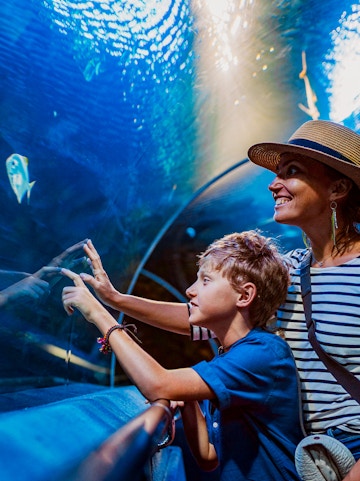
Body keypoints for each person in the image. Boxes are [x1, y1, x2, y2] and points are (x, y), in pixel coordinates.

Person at [71, 120, 360, 479]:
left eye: (292, 171)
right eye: (277, 172)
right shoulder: (289, 271)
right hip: (310, 455)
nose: (273, 183)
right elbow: (205, 317)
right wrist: (116, 298)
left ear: (339, 187)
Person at [61, 230, 303, 480]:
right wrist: (187, 399)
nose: (190, 290)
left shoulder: (263, 353)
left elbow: (158, 384)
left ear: (244, 296)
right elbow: (209, 457)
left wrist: (99, 314)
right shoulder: (232, 356)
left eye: (205, 280)